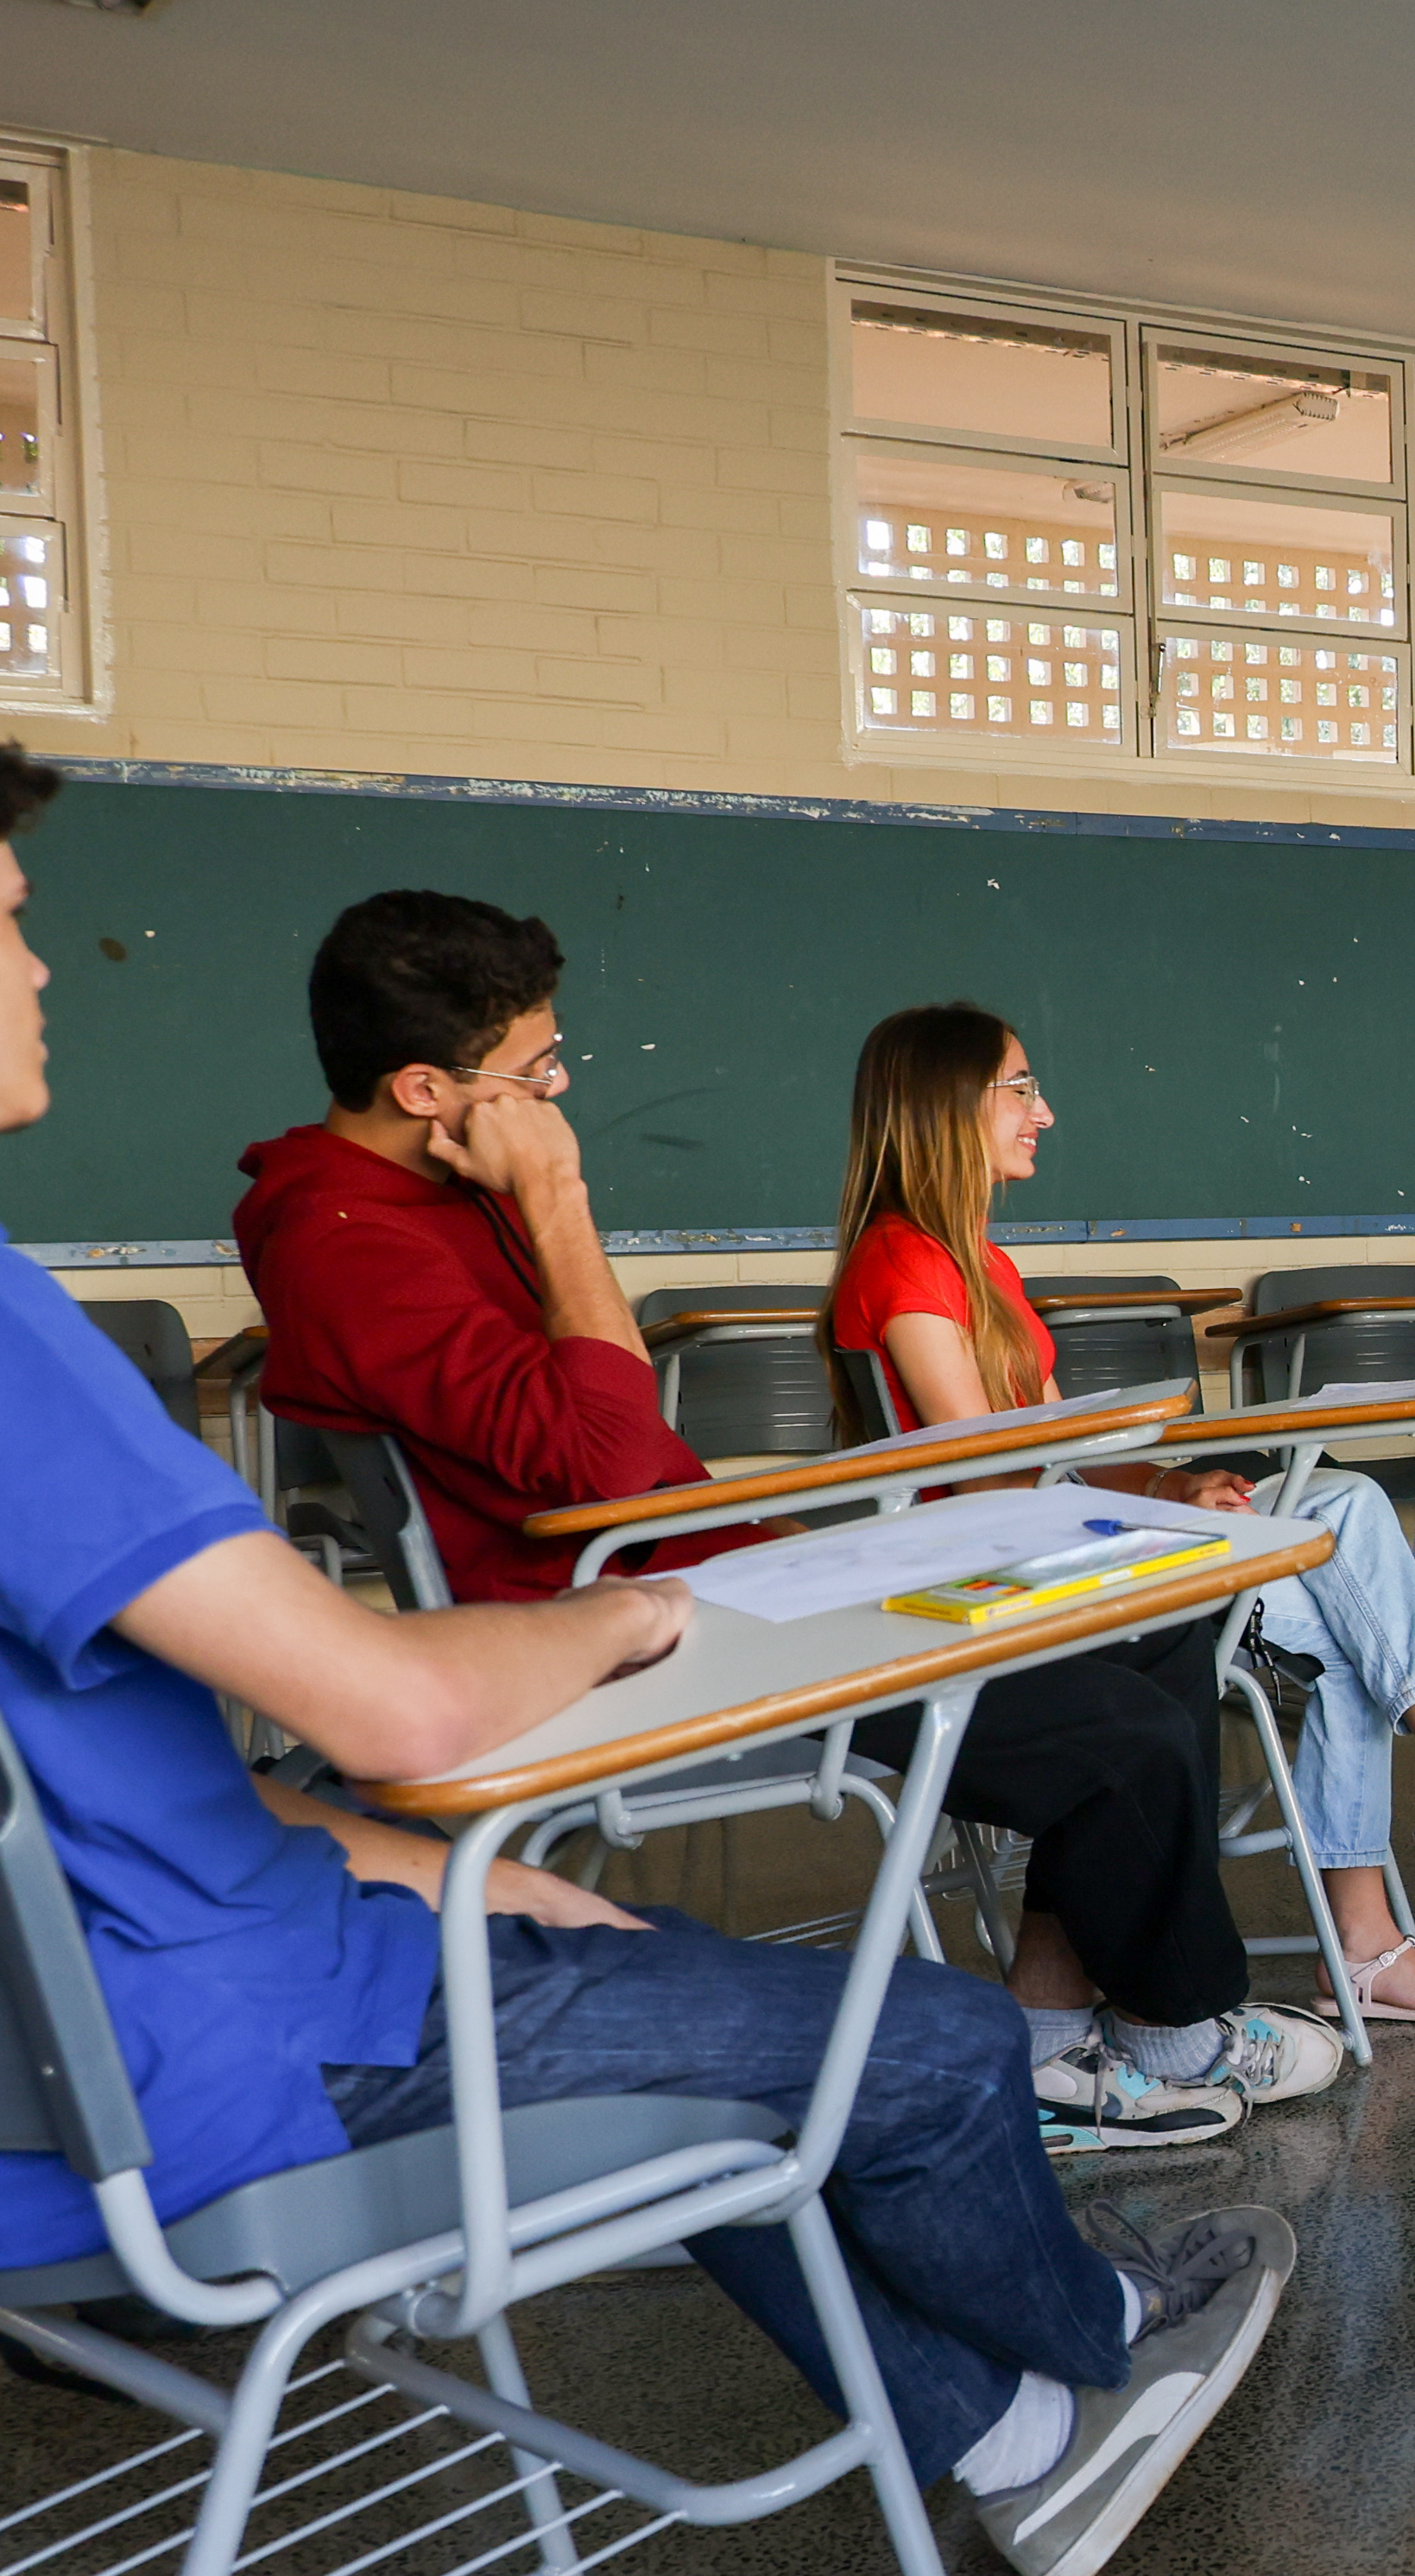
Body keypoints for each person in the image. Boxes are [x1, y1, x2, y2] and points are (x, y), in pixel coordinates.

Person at [0, 672, 1283, 2576]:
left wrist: (440, 1866)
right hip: (208, 2087)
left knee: (658, 1967)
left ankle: (1014, 2424)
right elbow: (403, 1690)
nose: (43, 967)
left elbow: (30, 1777)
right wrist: (624, 1607)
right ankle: (1089, 2361)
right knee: (926, 2033)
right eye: (13, 914)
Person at [230, 890, 1343, 2152]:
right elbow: (599, 1458)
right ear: (431, 1090)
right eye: (538, 1070)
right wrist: (559, 1200)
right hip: (621, 1623)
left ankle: (1066, 2032)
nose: (558, 1096)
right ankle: (1173, 2030)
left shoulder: (428, 1195)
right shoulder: (344, 1239)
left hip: (712, 1564)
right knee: (1126, 1736)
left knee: (1159, 1627)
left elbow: (613, 1441)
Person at [830, 1000, 1415, 2027]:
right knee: (1346, 1557)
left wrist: (1171, 1487)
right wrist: (1162, 1495)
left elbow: (1065, 1457)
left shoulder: (978, 1266)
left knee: (1344, 1532)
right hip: (1009, 1582)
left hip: (1057, 1543)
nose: (1043, 1111)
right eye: (1019, 1087)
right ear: (944, 1105)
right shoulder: (903, 1262)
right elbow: (992, 1474)